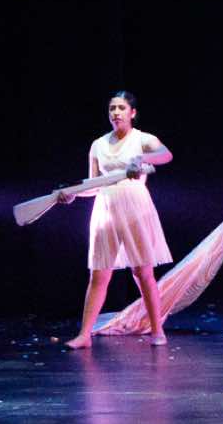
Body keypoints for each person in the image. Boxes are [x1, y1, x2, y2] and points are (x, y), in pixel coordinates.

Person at [59, 90, 173, 348]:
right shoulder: (98, 145)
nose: (116, 113)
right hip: (106, 209)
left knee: (142, 272)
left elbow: (166, 155)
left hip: (135, 208)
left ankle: (157, 330)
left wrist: (142, 157)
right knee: (99, 273)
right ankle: (84, 335)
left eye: (121, 108)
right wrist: (73, 194)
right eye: (112, 108)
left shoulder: (142, 139)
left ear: (132, 113)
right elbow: (94, 184)